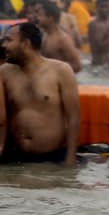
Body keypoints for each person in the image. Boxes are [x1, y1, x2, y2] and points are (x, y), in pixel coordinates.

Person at [0, 23, 79, 165]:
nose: (3, 45)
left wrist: (70, 159)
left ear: (25, 43)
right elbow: (2, 118)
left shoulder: (61, 70)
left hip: (54, 158)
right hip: (17, 158)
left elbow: (73, 118)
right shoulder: (4, 72)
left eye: (8, 40)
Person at [33, 0, 82, 73]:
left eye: (40, 15)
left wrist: (55, 73)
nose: (37, 18)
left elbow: (77, 66)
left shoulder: (62, 39)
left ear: (50, 18)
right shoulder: (45, 35)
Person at [88, 0, 109, 66]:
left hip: (107, 66)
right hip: (98, 66)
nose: (105, 9)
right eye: (102, 6)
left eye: (107, 6)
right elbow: (98, 48)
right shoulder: (95, 24)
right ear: (97, 7)